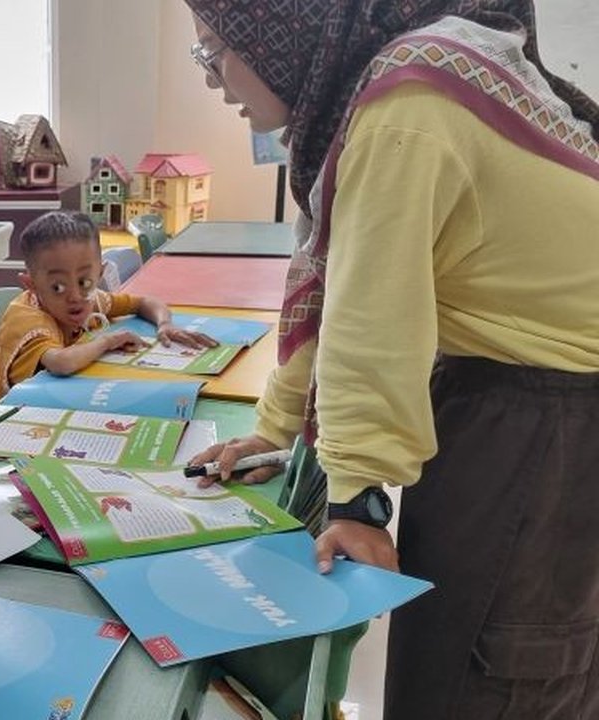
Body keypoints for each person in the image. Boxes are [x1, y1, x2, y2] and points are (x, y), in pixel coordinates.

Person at [181, 1, 599, 717]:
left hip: (543, 424)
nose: (214, 80)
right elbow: (344, 284)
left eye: (215, 49)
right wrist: (275, 427)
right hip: (534, 405)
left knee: (486, 677)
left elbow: (374, 314)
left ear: (282, 29)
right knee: (517, 654)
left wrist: (356, 497)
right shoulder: (436, 71)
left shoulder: (409, 94)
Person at [0, 211, 216, 412]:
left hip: (53, 404)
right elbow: (61, 362)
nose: (75, 296)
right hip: (2, 422)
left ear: (99, 274)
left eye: (84, 282)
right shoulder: (28, 318)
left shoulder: (92, 298)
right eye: (58, 287)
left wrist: (165, 324)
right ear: (32, 285)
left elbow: (145, 302)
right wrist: (108, 341)